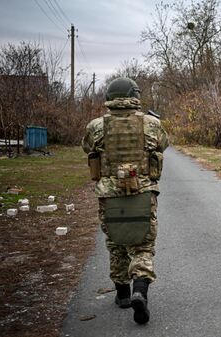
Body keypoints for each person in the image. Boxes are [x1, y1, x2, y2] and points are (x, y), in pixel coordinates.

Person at [82, 77, 169, 324]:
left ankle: (122, 294)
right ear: (135, 96)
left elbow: (86, 147)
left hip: (109, 195)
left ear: (110, 97)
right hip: (142, 192)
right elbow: (163, 145)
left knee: (116, 242)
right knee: (142, 245)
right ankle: (139, 291)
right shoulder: (151, 124)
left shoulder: (96, 126)